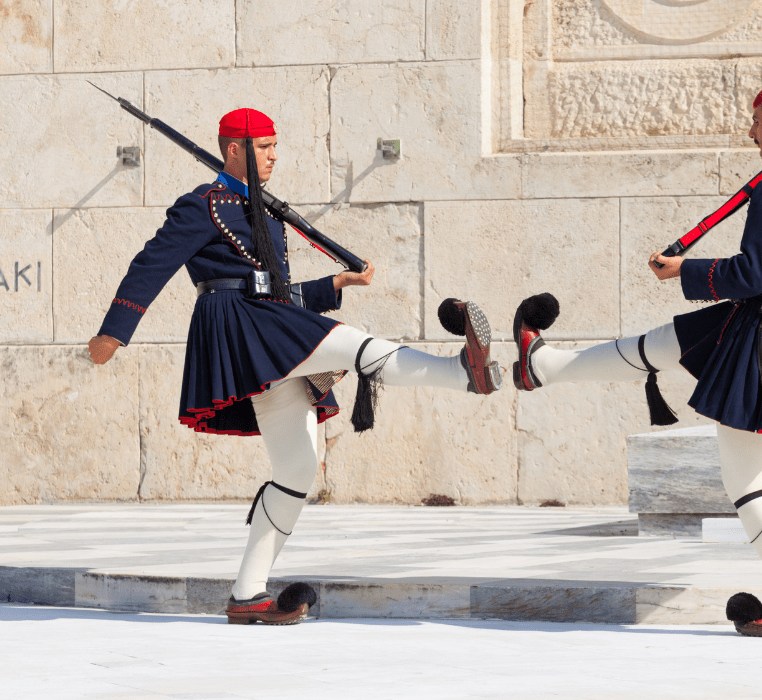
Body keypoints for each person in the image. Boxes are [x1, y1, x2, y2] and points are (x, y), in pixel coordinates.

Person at [509, 81, 762, 638]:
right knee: (668, 341)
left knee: (748, 479)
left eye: (755, 123)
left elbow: (753, 274)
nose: (750, 133)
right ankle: (544, 366)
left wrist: (686, 272)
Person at [88, 108, 503, 625]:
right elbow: (151, 263)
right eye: (264, 147)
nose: (274, 156)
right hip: (239, 325)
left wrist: (335, 286)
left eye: (274, 146)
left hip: (268, 318)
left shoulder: (262, 210)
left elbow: (273, 288)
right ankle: (462, 371)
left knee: (297, 468)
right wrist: (114, 332)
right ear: (234, 149)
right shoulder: (202, 206)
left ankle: (247, 595)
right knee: (354, 345)